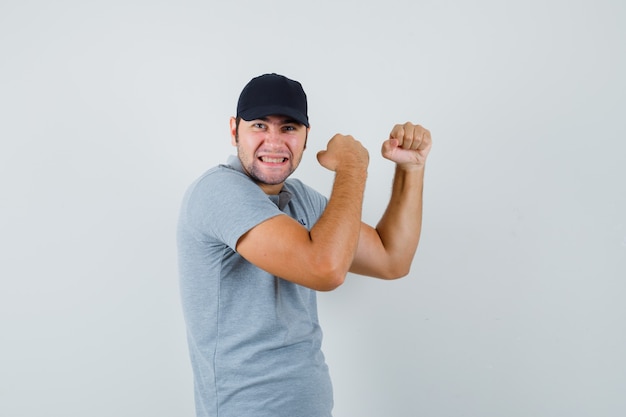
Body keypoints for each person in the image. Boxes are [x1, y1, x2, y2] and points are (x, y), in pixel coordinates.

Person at [177, 73, 432, 417]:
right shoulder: (218, 191)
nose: (274, 141)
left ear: (306, 137)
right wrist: (353, 167)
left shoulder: (300, 200)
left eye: (289, 128)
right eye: (259, 126)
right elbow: (324, 269)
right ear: (234, 130)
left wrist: (410, 170)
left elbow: (391, 258)